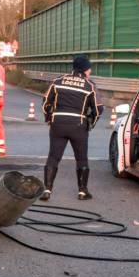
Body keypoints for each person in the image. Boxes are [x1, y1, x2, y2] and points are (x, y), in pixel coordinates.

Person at [40, 55, 103, 201]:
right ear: (86, 69)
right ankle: (82, 191)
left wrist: (49, 118)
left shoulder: (58, 81)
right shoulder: (90, 86)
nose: (90, 72)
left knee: (53, 157)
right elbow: (98, 109)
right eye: (90, 69)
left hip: (58, 123)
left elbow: (45, 103)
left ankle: (47, 190)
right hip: (78, 125)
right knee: (81, 159)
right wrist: (90, 123)